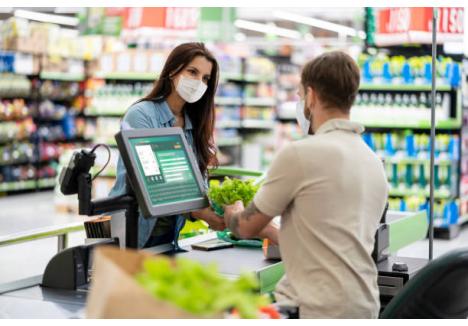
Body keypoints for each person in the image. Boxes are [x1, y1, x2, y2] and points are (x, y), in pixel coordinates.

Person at [223, 51, 389, 318]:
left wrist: (231, 212)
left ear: (311, 96)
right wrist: (274, 231)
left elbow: (244, 227)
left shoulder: (300, 154)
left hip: (314, 309)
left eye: (300, 96)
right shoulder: (373, 162)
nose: (301, 103)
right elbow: (332, 236)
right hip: (364, 306)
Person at [109, 42, 225, 249]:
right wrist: (199, 212)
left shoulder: (193, 123)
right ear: (172, 70)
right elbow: (154, 183)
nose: (199, 82)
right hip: (132, 232)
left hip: (167, 236)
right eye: (192, 72)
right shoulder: (142, 115)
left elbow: (198, 181)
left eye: (205, 78)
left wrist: (221, 206)